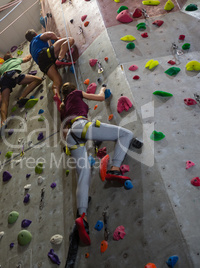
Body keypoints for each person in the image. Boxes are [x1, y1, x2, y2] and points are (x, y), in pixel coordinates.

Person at [60, 82, 135, 245]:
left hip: (71, 138)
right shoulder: (76, 93)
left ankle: (83, 217)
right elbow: (101, 98)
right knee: (126, 134)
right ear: (71, 90)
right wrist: (102, 88)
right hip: (81, 126)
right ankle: (115, 169)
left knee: (83, 176)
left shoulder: (64, 106)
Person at [25, 29, 75, 101]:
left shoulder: (31, 49)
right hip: (45, 54)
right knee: (70, 39)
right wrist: (56, 39)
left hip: (42, 65)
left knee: (57, 81)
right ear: (35, 33)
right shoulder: (36, 38)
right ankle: (60, 58)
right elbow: (50, 34)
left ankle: (57, 96)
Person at [0, 52, 42, 128]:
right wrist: (31, 52)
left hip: (4, 80)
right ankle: (22, 97)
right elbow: (27, 58)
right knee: (38, 80)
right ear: (11, 56)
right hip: (13, 75)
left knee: (5, 102)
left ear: (4, 60)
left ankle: (3, 122)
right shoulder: (15, 60)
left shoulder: (2, 68)